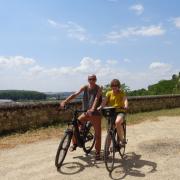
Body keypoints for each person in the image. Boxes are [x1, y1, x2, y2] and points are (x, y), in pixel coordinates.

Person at [60, 74, 102, 160]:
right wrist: (65, 101)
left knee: (98, 134)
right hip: (85, 112)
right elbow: (75, 94)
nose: (91, 81)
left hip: (95, 113)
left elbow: (96, 99)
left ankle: (97, 152)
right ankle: (75, 143)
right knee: (75, 125)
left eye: (93, 79)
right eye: (90, 79)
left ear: (96, 80)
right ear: (88, 80)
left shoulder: (99, 88)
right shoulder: (85, 87)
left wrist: (92, 109)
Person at [98, 79, 128, 145]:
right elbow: (104, 102)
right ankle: (107, 151)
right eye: (112, 85)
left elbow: (125, 99)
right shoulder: (109, 93)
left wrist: (126, 105)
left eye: (116, 85)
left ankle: (122, 140)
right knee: (109, 131)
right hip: (111, 112)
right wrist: (100, 107)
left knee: (117, 122)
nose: (114, 87)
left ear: (118, 86)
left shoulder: (121, 92)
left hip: (120, 111)